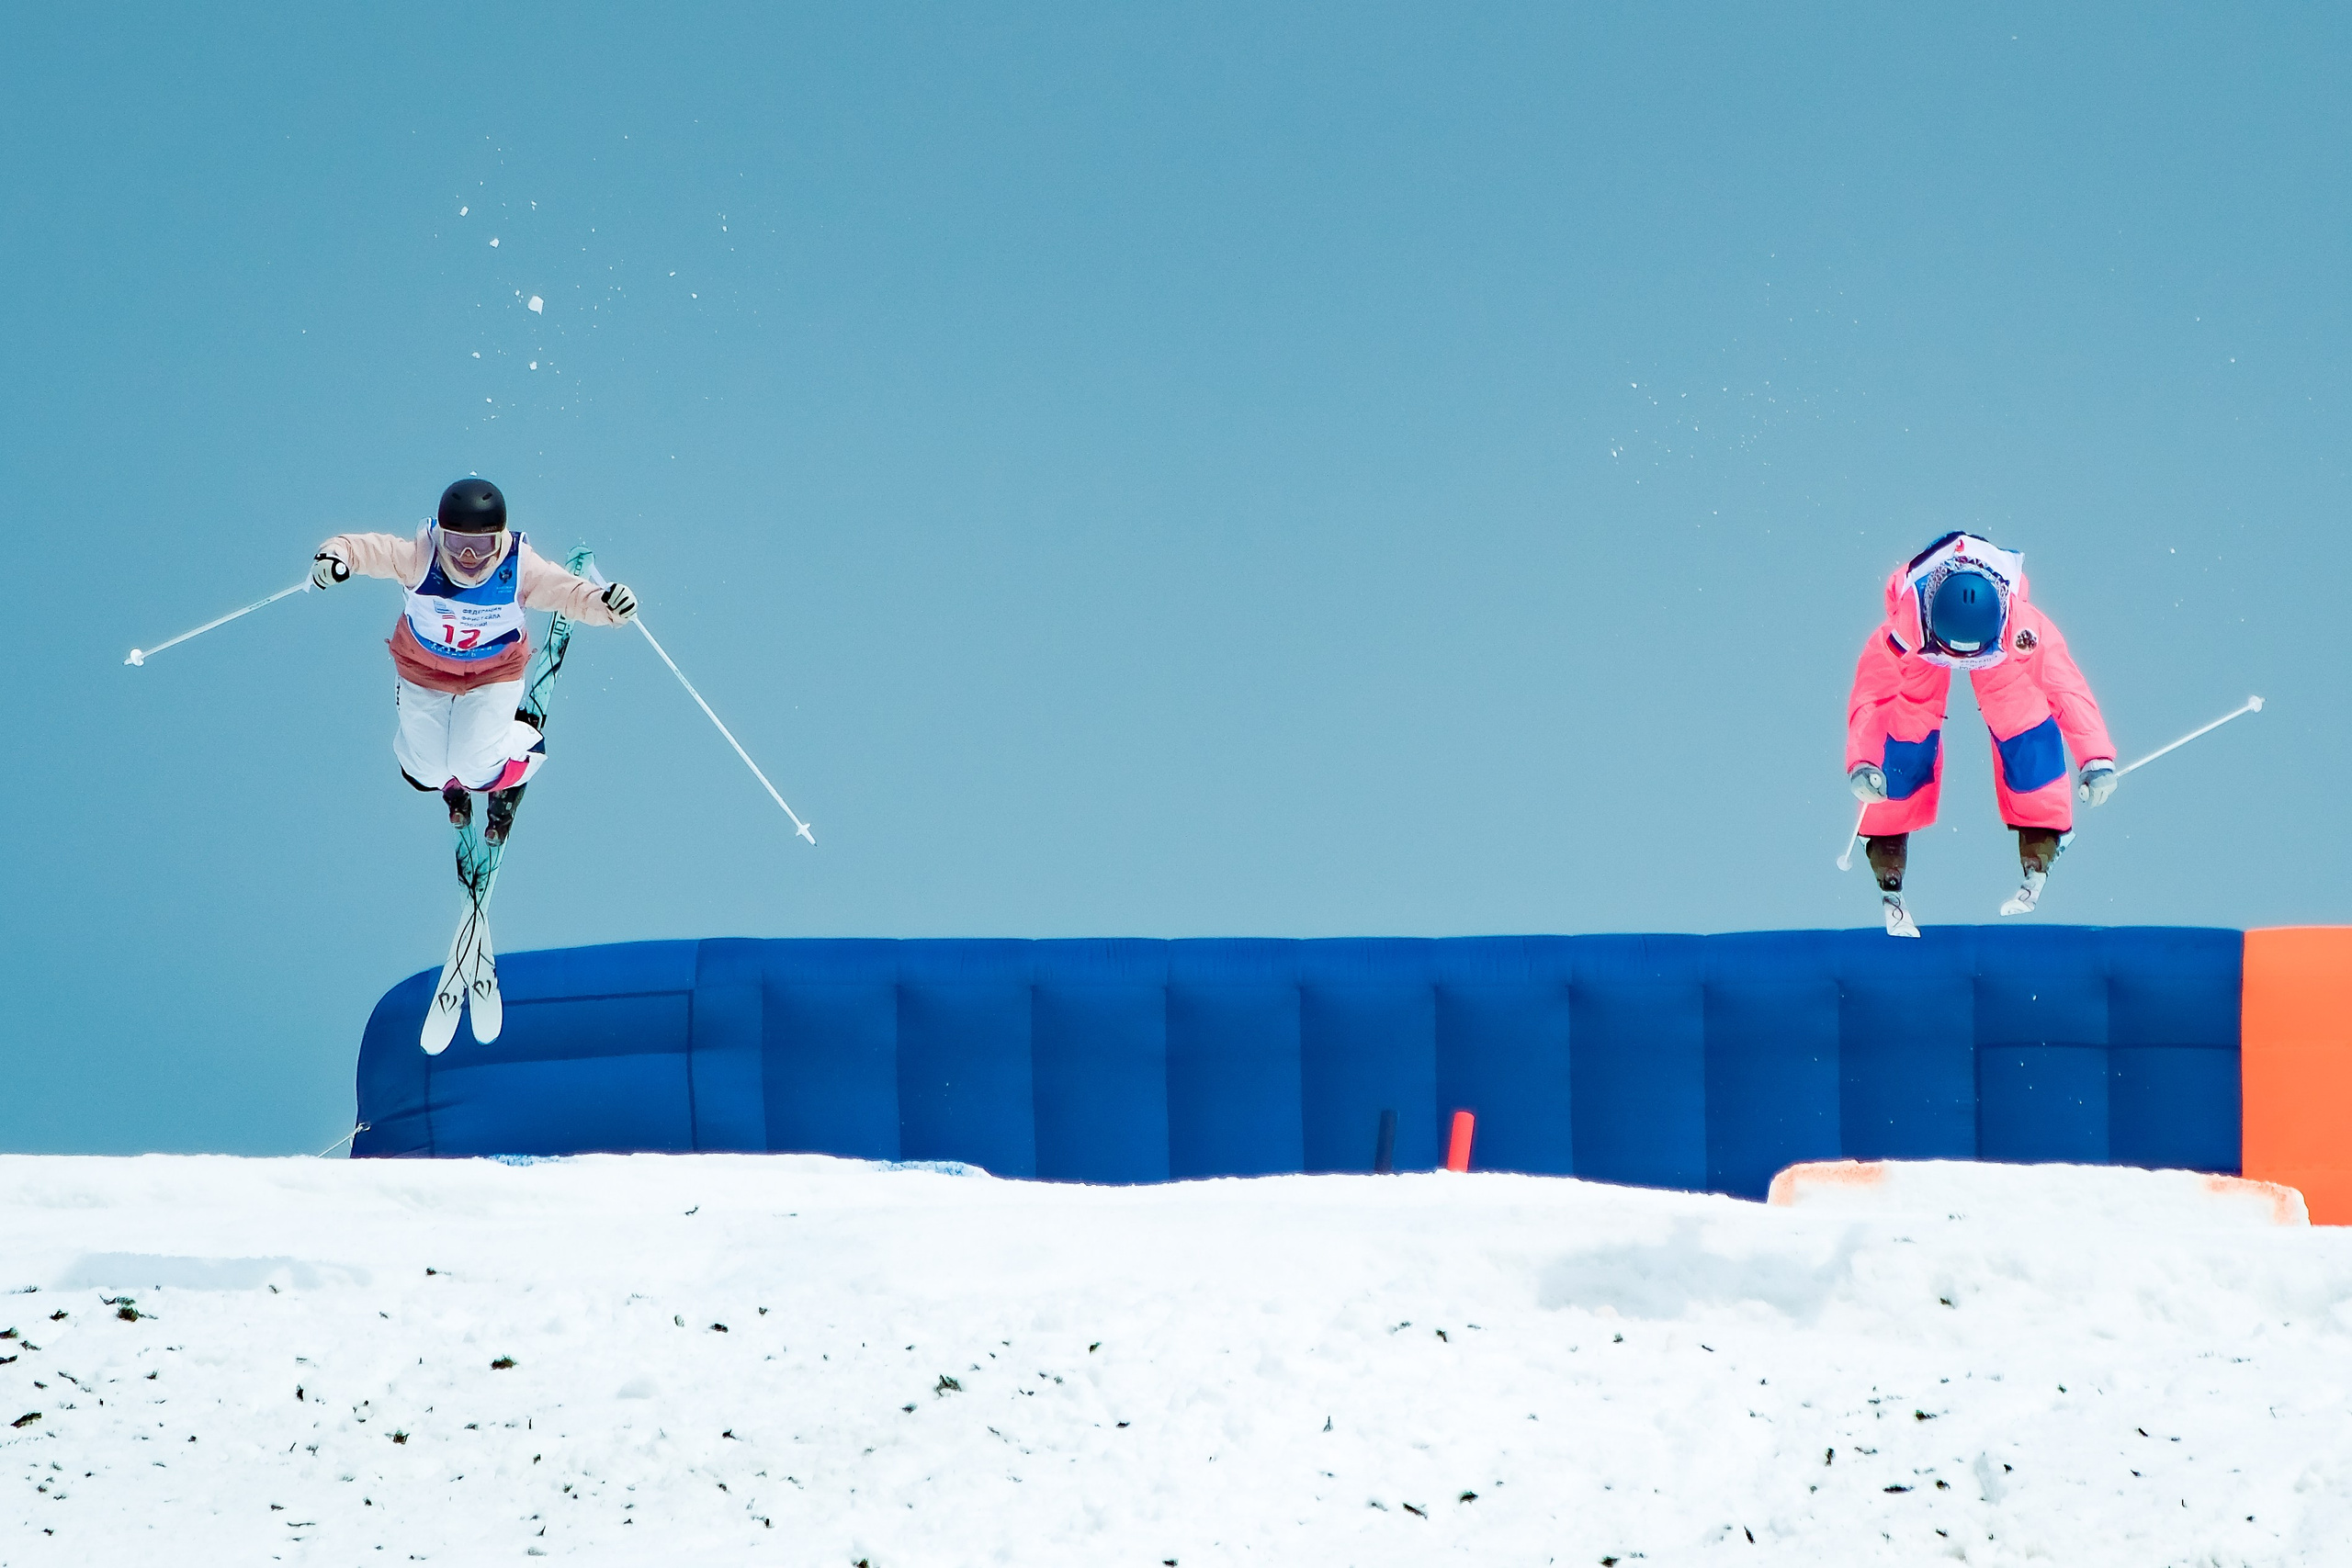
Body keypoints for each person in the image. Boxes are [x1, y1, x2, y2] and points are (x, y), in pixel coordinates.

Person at [311, 478, 637, 844]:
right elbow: (365, 549)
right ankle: (452, 786)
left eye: (481, 545)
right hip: (423, 671)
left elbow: (569, 593)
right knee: (423, 771)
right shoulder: (422, 556)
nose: (469, 558)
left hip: (492, 675)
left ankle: (520, 741)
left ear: (499, 538)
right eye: (457, 543)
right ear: (441, 536)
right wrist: (334, 556)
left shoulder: (518, 566)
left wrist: (607, 606)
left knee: (476, 765)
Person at [1845, 532, 2117, 936]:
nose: (1962, 667)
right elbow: (1872, 693)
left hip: (1999, 648)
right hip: (1925, 647)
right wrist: (1864, 762)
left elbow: (2064, 685)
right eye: (1955, 658)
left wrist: (2096, 757)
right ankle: (1887, 831)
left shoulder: (2020, 627)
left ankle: (2042, 827)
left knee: (2021, 714)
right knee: (1907, 722)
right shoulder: (1906, 626)